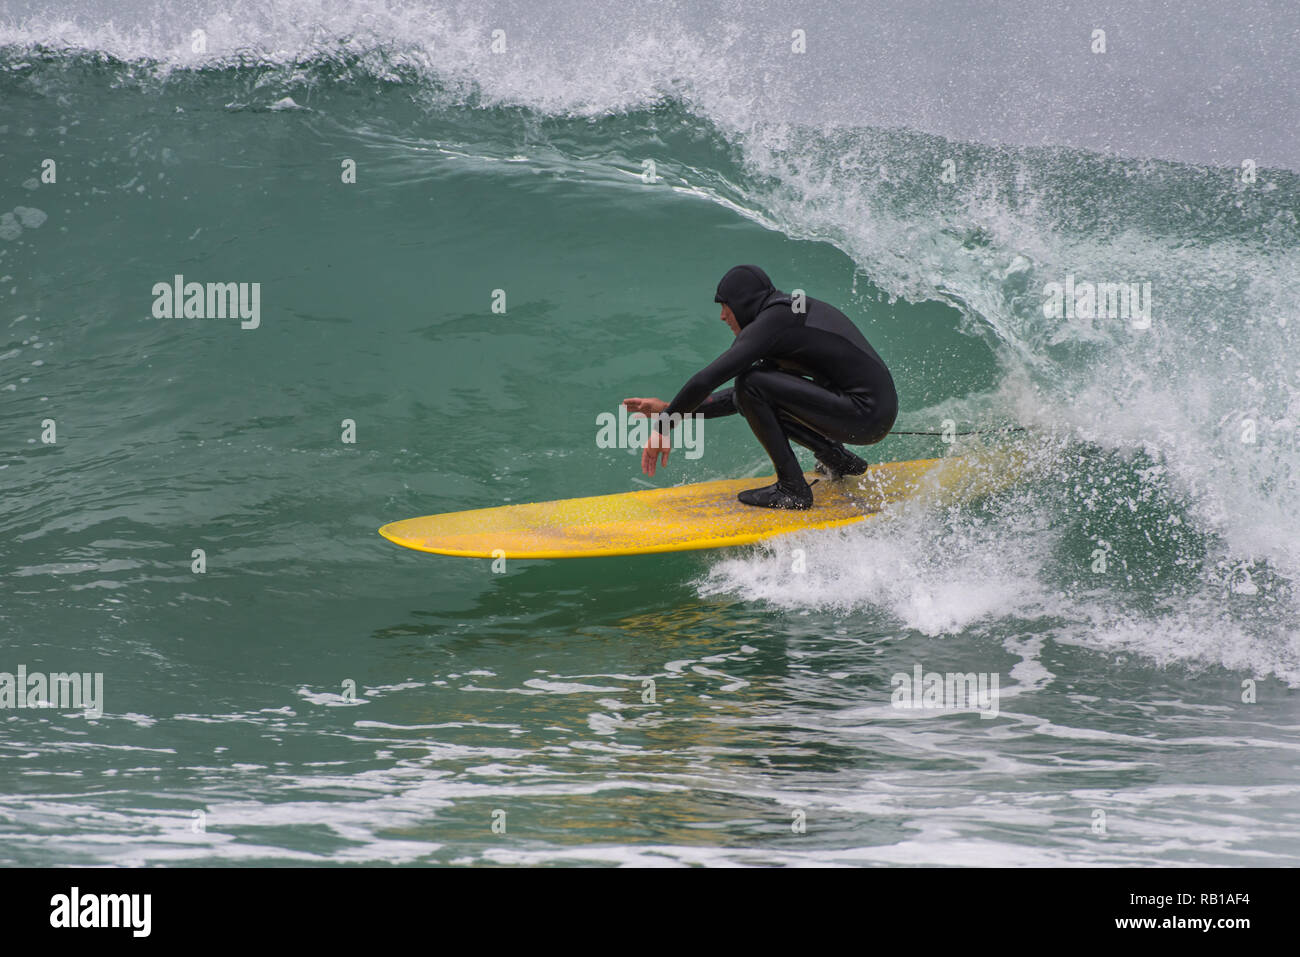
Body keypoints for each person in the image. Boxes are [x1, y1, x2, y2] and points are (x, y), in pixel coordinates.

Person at [623, 265, 898, 510]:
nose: (722, 316)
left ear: (742, 303)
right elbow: (742, 399)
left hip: (863, 414)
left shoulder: (774, 321)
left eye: (725, 306)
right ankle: (837, 459)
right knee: (753, 386)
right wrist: (671, 410)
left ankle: (793, 489)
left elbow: (707, 380)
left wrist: (662, 428)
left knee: (751, 381)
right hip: (870, 414)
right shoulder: (785, 315)